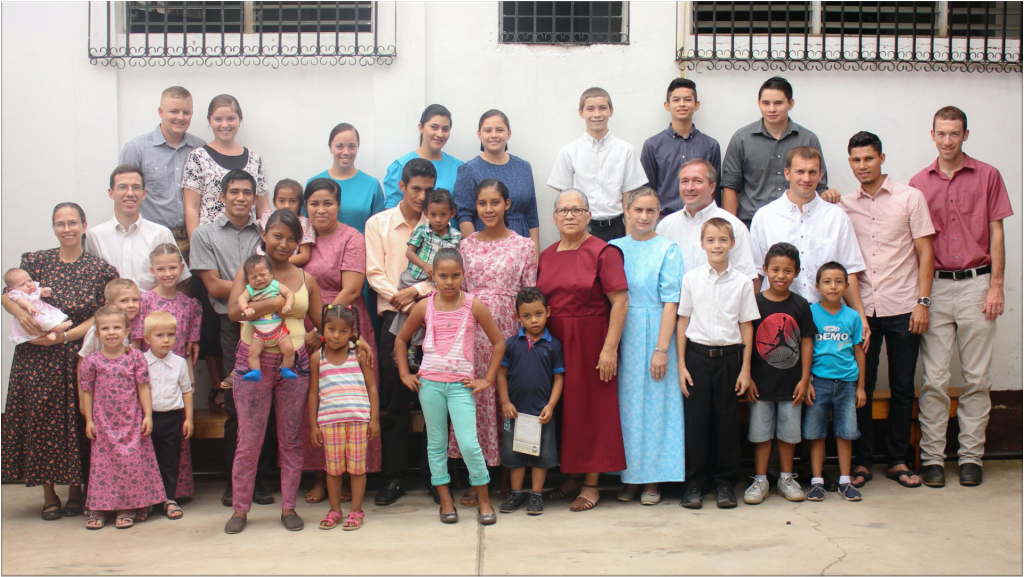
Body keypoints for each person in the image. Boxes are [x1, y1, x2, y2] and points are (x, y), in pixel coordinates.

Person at [909, 106, 1013, 488]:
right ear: (931, 134)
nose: (948, 141)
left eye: (955, 134)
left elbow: (996, 233)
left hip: (976, 285)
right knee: (934, 379)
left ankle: (971, 458)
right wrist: (919, 297)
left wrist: (996, 286)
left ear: (966, 135)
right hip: (934, 286)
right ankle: (933, 459)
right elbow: (916, 245)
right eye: (942, 134)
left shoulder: (988, 176)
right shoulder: (919, 183)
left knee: (976, 379)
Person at [2, 203, 118, 521]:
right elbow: (8, 292)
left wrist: (64, 338)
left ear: (84, 225)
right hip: (35, 357)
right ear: (53, 228)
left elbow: (101, 316)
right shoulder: (35, 261)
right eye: (59, 224)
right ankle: (49, 494)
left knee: (78, 421)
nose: (66, 229)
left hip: (77, 353)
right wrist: (21, 314)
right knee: (41, 423)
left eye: (72, 223)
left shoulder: (101, 269)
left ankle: (77, 490)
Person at [839, 131, 936, 489]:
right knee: (859, 383)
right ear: (849, 162)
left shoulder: (911, 198)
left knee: (901, 386)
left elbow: (926, 253)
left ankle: (897, 459)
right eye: (856, 160)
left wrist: (923, 303)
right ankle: (862, 462)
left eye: (868, 158)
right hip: (861, 309)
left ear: (882, 158)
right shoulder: (844, 205)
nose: (862, 166)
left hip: (903, 306)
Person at [223, 209, 326, 534]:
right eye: (277, 236)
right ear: (264, 236)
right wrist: (270, 305)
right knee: (248, 440)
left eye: (291, 238)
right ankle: (240, 510)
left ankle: (289, 508)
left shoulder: (305, 277)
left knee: (292, 439)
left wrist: (317, 338)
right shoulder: (249, 272)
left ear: (299, 243)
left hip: (293, 363)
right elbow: (234, 313)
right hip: (252, 363)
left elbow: (324, 320)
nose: (284, 244)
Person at [394, 248, 505, 525]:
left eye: (455, 275)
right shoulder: (424, 305)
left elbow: (499, 342)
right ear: (434, 276)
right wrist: (405, 374)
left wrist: (488, 378)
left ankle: (483, 499)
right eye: (443, 276)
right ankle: (445, 499)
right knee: (436, 443)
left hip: (460, 387)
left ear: (463, 275)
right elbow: (400, 339)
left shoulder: (473, 305)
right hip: (430, 385)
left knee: (469, 443)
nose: (449, 282)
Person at [536, 190, 629, 512]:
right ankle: (572, 476)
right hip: (555, 342)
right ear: (554, 217)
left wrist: (609, 350)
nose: (570, 215)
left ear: (589, 216)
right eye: (563, 210)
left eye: (577, 209)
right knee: (564, 411)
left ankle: (592, 484)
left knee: (592, 411)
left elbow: (620, 301)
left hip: (592, 340)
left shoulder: (604, 252)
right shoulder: (546, 255)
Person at [449, 179, 538, 508]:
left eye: (495, 202)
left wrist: (527, 338)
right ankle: (477, 477)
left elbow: (529, 295)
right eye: (482, 203)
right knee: (474, 402)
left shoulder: (524, 246)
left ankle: (509, 475)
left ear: (507, 204)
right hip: (472, 331)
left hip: (510, 332)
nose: (488, 209)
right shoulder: (466, 246)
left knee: (508, 400)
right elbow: (459, 291)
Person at [188, 169, 273, 508]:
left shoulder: (267, 232)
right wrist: (260, 293)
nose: (240, 198)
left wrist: (241, 292)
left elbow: (281, 274)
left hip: (271, 323)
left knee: (267, 402)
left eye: (247, 192)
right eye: (233, 192)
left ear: (255, 198)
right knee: (239, 406)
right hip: (230, 327)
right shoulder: (205, 234)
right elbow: (213, 285)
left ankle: (261, 480)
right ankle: (234, 483)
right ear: (220, 197)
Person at [182, 95, 269, 405]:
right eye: (218, 118)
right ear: (209, 121)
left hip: (248, 241)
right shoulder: (198, 156)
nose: (225, 124)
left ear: (239, 119)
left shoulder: (254, 158)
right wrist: (200, 247)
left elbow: (263, 206)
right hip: (213, 244)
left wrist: (268, 236)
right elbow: (191, 206)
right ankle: (223, 393)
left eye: (230, 118)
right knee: (216, 329)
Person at [300, 177, 382, 504]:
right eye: (314, 203)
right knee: (319, 397)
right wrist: (312, 330)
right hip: (308, 320)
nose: (321, 209)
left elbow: (350, 288)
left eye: (328, 203)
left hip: (344, 324)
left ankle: (353, 474)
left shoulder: (352, 237)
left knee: (352, 396)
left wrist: (325, 331)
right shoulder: (301, 236)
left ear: (339, 205)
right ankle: (321, 476)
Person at [365, 158, 436, 507]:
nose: (422, 196)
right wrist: (402, 297)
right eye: (416, 188)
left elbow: (446, 272)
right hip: (393, 322)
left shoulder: (439, 227)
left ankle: (435, 476)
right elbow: (373, 272)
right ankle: (394, 477)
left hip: (433, 322)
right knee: (394, 403)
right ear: (402, 187)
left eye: (428, 189)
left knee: (433, 402)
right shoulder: (378, 224)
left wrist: (418, 293)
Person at [677, 217, 758, 510]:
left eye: (723, 240)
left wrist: (746, 368)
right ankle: (694, 485)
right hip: (697, 359)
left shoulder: (742, 283)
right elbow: (683, 320)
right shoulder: (691, 279)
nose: (717, 245)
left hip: (728, 361)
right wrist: (681, 365)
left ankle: (725, 485)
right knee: (696, 424)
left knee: (726, 424)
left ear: (733, 244)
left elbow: (747, 325)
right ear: (702, 244)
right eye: (710, 240)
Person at [611, 188, 684, 505]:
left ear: (659, 214)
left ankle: (653, 479)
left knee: (657, 406)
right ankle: (631, 476)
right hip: (624, 331)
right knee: (627, 407)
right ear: (626, 211)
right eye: (638, 210)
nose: (643, 216)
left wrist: (661, 349)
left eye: (651, 211)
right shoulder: (614, 248)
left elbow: (671, 302)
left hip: (656, 329)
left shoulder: (668, 249)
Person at [750, 147, 869, 321]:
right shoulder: (765, 216)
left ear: (820, 175)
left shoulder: (836, 217)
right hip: (776, 317)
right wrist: (749, 319)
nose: (806, 178)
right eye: (800, 171)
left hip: (826, 319)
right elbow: (756, 272)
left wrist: (861, 317)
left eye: (812, 172)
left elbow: (850, 270)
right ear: (787, 173)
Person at [80, 305, 166, 530]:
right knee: (102, 465)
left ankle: (126, 506)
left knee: (129, 463)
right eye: (105, 328)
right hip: (103, 422)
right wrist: (89, 420)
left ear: (127, 331)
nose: (111, 332)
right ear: (97, 333)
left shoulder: (135, 358)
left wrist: (148, 415)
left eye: (117, 327)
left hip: (131, 421)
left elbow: (144, 387)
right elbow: (87, 391)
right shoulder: (91, 361)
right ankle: (99, 507)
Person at [743, 242, 816, 505]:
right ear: (764, 269)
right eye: (775, 269)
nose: (780, 275)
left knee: (788, 433)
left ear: (796, 272)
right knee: (760, 434)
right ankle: (760, 479)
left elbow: (807, 341)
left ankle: (786, 477)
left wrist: (805, 379)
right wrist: (747, 375)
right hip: (760, 384)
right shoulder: (755, 303)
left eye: (787, 270)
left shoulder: (801, 304)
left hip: (791, 384)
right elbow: (747, 339)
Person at [130, 243, 200, 501]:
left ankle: (173, 493)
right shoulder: (144, 300)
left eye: (173, 267)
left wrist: (189, 377)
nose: (168, 273)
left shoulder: (189, 305)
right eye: (161, 268)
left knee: (175, 437)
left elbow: (189, 347)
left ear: (181, 268)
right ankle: (148, 493)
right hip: (147, 378)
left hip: (175, 376)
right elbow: (137, 343)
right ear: (152, 270)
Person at [720, 76, 834, 229]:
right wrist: (731, 228)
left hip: (799, 223)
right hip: (752, 223)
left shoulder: (808, 139)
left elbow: (819, 185)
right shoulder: (741, 139)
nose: (771, 109)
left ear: (790, 103)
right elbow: (730, 186)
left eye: (778, 103)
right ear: (758, 103)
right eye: (766, 103)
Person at [308, 304, 380, 531]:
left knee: (357, 469)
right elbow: (312, 393)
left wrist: (374, 418)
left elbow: (372, 387)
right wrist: (313, 425)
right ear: (323, 329)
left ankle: (356, 510)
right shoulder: (316, 357)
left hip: (358, 420)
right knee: (333, 469)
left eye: (343, 331)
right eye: (331, 329)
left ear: (352, 333)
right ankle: (335, 510)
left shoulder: (358, 354)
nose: (336, 335)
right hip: (329, 422)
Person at [547, 87, 647, 241]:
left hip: (615, 229)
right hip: (581, 229)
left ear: (611, 111)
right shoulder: (569, 152)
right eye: (590, 109)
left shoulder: (626, 150)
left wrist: (628, 240)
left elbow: (628, 199)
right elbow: (564, 202)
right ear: (581, 113)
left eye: (602, 108)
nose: (597, 114)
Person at [497, 288, 564, 515]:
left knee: (541, 456)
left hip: (541, 415)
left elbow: (558, 378)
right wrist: (505, 402)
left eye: (538, 314)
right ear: (517, 317)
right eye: (527, 316)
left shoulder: (553, 345)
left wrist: (551, 405)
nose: (533, 320)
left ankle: (536, 495)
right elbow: (501, 375)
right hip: (515, 413)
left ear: (548, 312)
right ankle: (516, 494)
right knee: (515, 456)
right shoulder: (511, 344)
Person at [804, 262, 867, 502]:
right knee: (816, 433)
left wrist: (861, 386)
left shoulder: (852, 316)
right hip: (818, 382)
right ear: (817, 286)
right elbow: (806, 348)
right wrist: (807, 381)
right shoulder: (810, 312)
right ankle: (817, 481)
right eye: (828, 282)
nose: (833, 286)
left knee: (846, 433)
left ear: (846, 286)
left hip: (846, 383)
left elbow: (859, 351)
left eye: (839, 281)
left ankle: (845, 481)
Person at [119, 85, 205, 251]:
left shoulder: (200, 148)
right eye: (174, 111)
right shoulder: (136, 148)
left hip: (192, 239)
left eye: (186, 112)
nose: (180, 117)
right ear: (160, 112)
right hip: (150, 240)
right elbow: (123, 195)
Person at [85, 164, 192, 292]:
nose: (130, 193)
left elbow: (179, 284)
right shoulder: (95, 237)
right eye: (122, 187)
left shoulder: (161, 234)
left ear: (144, 193)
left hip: (154, 311)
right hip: (111, 310)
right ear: (111, 193)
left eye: (136, 187)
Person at [656, 158, 758, 281]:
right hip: (674, 300)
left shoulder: (734, 226)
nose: (689, 187)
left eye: (697, 181)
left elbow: (746, 278)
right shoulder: (666, 225)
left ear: (712, 187)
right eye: (684, 181)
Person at [390, 188, 462, 358]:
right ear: (426, 213)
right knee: (408, 310)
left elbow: (454, 261)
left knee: (424, 313)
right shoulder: (422, 230)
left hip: (435, 283)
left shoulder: (455, 236)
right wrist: (424, 266)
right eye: (433, 214)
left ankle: (412, 346)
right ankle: (402, 345)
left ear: (452, 213)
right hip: (412, 276)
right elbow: (409, 252)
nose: (437, 219)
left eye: (443, 215)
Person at [453, 110, 540, 246]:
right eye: (488, 130)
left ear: (508, 134)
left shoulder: (524, 167)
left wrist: (535, 252)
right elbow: (464, 215)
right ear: (479, 134)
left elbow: (532, 214)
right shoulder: (468, 169)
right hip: (485, 246)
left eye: (499, 130)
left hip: (521, 246)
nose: (494, 135)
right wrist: (475, 250)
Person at [140, 310, 194, 520]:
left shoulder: (179, 362)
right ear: (146, 339)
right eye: (159, 335)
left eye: (170, 335)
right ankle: (146, 501)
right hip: (147, 419)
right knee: (147, 460)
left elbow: (186, 391)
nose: (166, 340)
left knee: (170, 460)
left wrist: (188, 419)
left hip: (172, 418)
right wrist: (145, 416)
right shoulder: (141, 361)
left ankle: (168, 498)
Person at [641, 78, 722, 216]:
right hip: (663, 220)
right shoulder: (652, 145)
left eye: (688, 99)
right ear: (667, 105)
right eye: (676, 100)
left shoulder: (710, 145)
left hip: (702, 219)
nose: (682, 104)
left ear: (696, 105)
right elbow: (647, 190)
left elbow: (715, 189)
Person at [307, 123, 386, 234]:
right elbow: (305, 226)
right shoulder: (313, 183)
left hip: (362, 249)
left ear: (358, 147)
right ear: (330, 147)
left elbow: (380, 229)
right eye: (339, 146)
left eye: (352, 146)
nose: (346, 152)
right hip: (320, 250)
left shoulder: (371, 185)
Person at [383, 104, 462, 209]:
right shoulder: (400, 166)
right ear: (421, 127)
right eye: (434, 127)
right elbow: (392, 212)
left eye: (445, 129)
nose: (440, 134)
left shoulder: (458, 167)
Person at [237, 255, 297, 382]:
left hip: (279, 331)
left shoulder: (275, 285)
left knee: (289, 349)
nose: (258, 279)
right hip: (259, 334)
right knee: (253, 352)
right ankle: (255, 371)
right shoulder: (250, 290)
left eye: (262, 274)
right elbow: (241, 299)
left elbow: (289, 293)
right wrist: (246, 308)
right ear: (248, 280)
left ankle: (286, 369)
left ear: (271, 273)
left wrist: (288, 304)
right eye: (253, 277)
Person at [77, 279, 140, 360]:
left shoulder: (137, 324)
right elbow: (84, 359)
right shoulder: (97, 330)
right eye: (124, 300)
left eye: (135, 300)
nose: (131, 305)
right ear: (109, 305)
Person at [256, 179, 315, 266]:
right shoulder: (267, 216)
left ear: (300, 204)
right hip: (260, 265)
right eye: (281, 201)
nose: (287, 206)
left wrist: (279, 262)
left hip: (286, 266)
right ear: (274, 202)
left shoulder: (304, 223)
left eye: (292, 201)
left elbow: (304, 256)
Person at [4, 268, 71, 343]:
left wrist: (45, 291)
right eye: (23, 284)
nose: (29, 284)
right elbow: (19, 300)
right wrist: (28, 305)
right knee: (39, 319)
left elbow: (41, 293)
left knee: (55, 315)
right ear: (12, 288)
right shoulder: (16, 293)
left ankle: (54, 332)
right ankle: (56, 328)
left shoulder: (34, 290)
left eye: (29, 280)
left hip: (42, 309)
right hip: (30, 312)